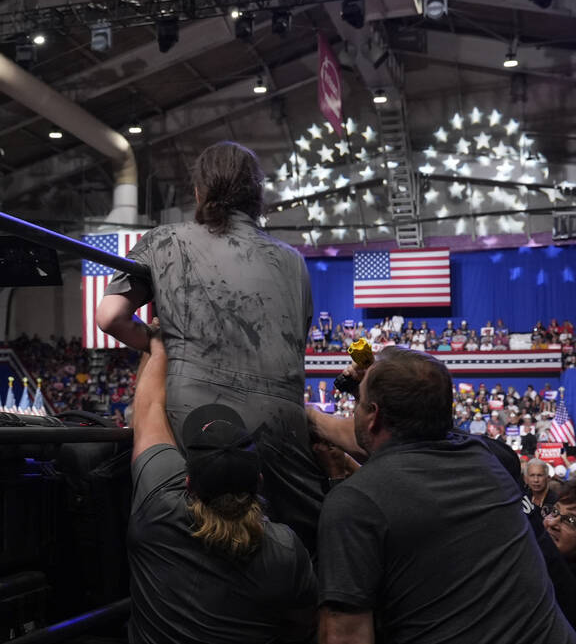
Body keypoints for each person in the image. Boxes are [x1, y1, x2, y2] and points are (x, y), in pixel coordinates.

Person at [95, 140, 324, 550]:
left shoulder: (164, 240)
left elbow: (108, 317)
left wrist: (155, 340)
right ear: (257, 196)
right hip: (283, 437)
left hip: (198, 424)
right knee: (291, 547)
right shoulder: (292, 260)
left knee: (196, 541)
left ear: (200, 192)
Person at [317, 348, 576, 643]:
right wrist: (377, 387)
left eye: (359, 404)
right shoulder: (489, 461)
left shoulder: (354, 502)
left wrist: (311, 419)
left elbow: (345, 635)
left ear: (373, 416)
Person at [128, 331, 316, 644]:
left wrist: (158, 343)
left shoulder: (156, 511)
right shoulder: (285, 549)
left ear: (187, 482)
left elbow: (147, 410)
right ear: (258, 483)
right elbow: (303, 624)